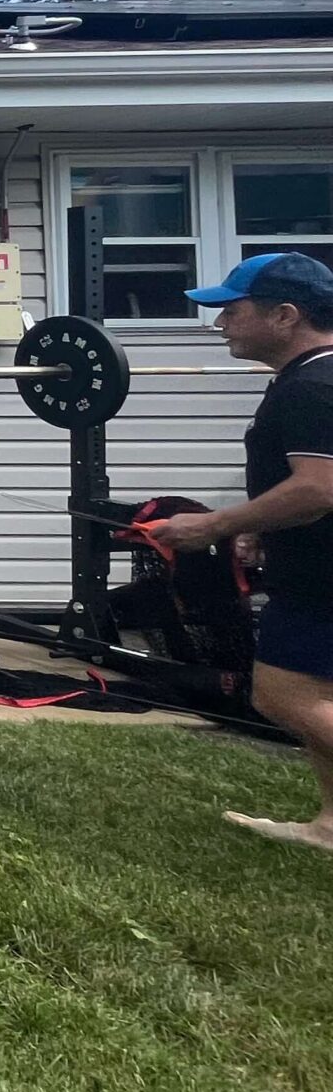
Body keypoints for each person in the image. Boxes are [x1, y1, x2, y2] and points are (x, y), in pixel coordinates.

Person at [142, 252, 333, 852]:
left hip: (323, 578)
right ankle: (331, 827)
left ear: (284, 315)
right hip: (309, 563)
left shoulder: (314, 385)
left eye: (232, 309)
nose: (219, 322)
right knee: (318, 697)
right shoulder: (310, 378)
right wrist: (261, 527)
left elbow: (318, 488)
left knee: (282, 696)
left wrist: (215, 525)